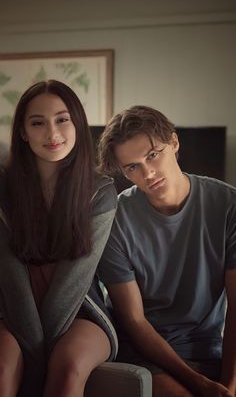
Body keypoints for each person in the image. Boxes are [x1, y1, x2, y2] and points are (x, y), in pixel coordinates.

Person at [97, 105, 236, 397]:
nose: (147, 173)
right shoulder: (115, 220)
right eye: (132, 167)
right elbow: (133, 320)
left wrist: (227, 386)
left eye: (152, 155)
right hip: (142, 350)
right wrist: (198, 383)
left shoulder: (228, 206)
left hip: (208, 347)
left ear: (173, 143)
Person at [0, 80, 118, 397]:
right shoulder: (3, 186)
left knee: (67, 370)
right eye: (38, 123)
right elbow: (9, 272)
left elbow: (75, 280)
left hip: (80, 308)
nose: (52, 133)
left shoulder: (100, 191)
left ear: (77, 123)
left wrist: (39, 356)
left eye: (62, 120)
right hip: (11, 305)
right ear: (23, 132)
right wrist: (32, 346)